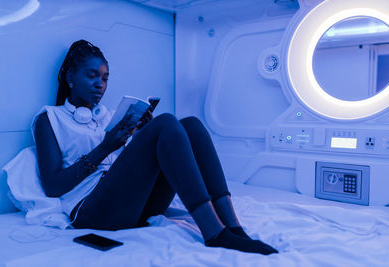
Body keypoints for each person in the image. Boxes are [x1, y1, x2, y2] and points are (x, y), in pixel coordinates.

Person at [33, 39, 278, 255]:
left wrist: (140, 134)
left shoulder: (108, 115)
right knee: (166, 123)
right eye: (92, 75)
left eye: (105, 78)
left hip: (131, 206)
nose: (100, 84)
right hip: (91, 212)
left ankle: (233, 226)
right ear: (70, 78)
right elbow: (53, 186)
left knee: (190, 125)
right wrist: (105, 148)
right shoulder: (50, 119)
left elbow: (127, 167)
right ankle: (214, 233)